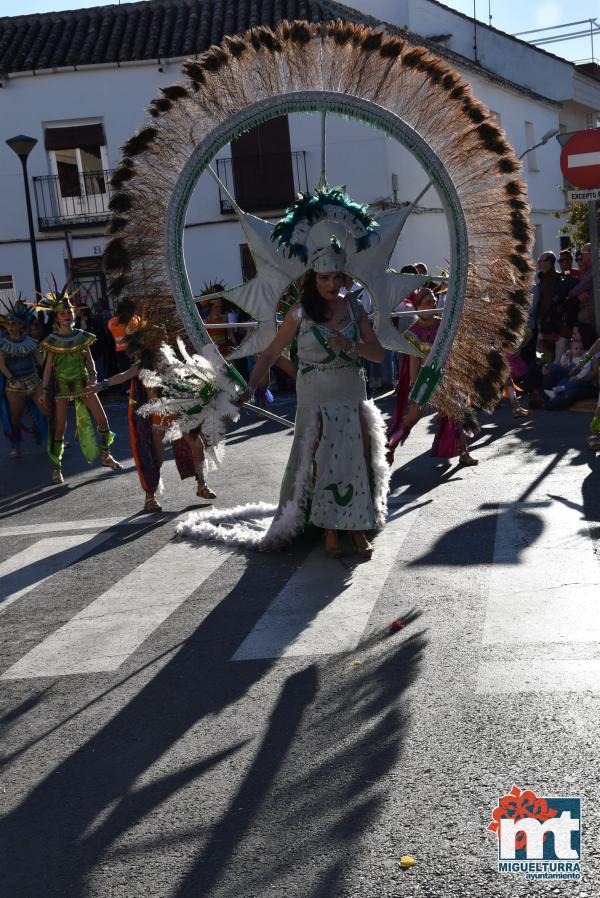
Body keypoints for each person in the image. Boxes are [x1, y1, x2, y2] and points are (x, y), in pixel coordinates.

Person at [238, 242, 388, 559]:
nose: (331, 285)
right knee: (319, 457)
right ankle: (329, 530)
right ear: (312, 279)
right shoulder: (300, 313)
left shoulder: (355, 309)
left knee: (354, 459)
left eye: (336, 277)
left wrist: (350, 345)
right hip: (314, 395)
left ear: (344, 278)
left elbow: (376, 354)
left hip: (351, 391)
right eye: (324, 278)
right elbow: (270, 352)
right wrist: (250, 387)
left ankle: (358, 529)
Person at [87, 356, 217, 513]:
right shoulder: (144, 364)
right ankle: (150, 497)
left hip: (179, 412)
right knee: (156, 458)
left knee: (197, 445)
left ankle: (202, 486)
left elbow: (190, 381)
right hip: (158, 415)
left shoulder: (173, 360)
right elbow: (123, 376)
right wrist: (101, 385)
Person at [38, 286, 123, 484]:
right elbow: (48, 367)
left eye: (69, 312)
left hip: (84, 384)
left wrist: (93, 378)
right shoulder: (52, 341)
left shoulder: (81, 335)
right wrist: (44, 391)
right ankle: (57, 468)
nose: (67, 315)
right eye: (62, 313)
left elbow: (89, 359)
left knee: (103, 420)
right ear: (57, 317)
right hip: (62, 388)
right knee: (59, 428)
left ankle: (106, 455)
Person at [0, 299, 46, 457]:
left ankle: (55, 439)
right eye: (9, 324)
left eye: (14, 324)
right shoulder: (2, 343)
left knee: (47, 409)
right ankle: (16, 445)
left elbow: (41, 362)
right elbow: (1, 365)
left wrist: (53, 361)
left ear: (21, 325)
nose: (11, 326)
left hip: (33, 380)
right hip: (14, 385)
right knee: (16, 418)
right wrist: (13, 379)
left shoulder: (31, 342)